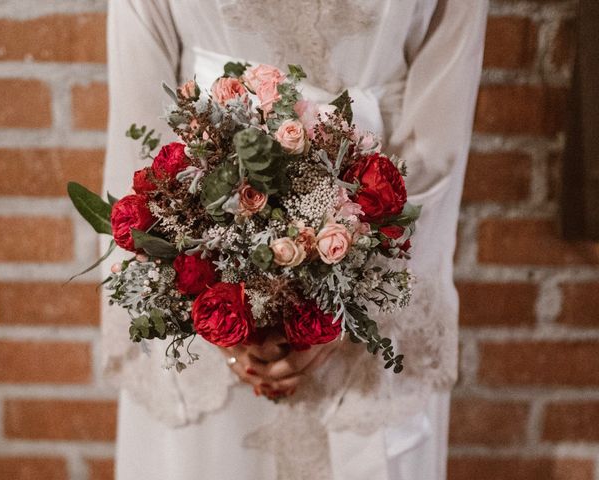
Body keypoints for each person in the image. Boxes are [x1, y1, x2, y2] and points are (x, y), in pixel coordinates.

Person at [101, 1, 488, 479]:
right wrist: (208, 303)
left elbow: (437, 141)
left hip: (375, 241)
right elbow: (139, 113)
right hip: (200, 229)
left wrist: (345, 310)